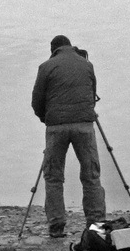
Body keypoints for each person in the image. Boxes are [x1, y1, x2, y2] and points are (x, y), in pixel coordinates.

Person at [31, 35, 105, 239]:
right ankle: (95, 223)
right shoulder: (86, 65)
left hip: (56, 127)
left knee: (54, 176)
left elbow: (36, 100)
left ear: (53, 50)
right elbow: (92, 94)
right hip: (84, 125)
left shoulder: (46, 67)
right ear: (70, 47)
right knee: (91, 174)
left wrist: (46, 118)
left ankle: (56, 225)